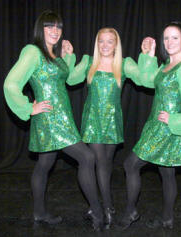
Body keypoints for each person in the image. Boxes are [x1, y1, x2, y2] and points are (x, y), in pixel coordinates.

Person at [3, 10, 104, 231]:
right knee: (87, 157)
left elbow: (68, 79)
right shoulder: (32, 51)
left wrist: (68, 56)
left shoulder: (53, 56)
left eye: (58, 27)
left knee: (44, 164)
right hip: (50, 118)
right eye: (49, 26)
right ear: (41, 29)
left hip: (63, 116)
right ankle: (97, 211)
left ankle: (39, 213)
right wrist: (29, 107)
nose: (55, 31)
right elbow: (11, 83)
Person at [120, 21, 181, 229]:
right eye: (166, 38)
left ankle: (131, 211)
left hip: (166, 129)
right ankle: (167, 218)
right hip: (156, 125)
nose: (169, 42)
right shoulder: (167, 65)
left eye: (174, 37)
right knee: (166, 172)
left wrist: (175, 119)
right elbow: (147, 80)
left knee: (130, 164)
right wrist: (149, 55)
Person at [67, 27, 142, 228]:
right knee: (100, 162)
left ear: (116, 44)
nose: (105, 45)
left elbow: (146, 79)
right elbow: (71, 79)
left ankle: (104, 206)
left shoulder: (124, 64)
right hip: (93, 120)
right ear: (96, 44)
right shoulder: (89, 62)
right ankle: (107, 207)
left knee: (107, 163)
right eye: (101, 41)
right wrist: (69, 56)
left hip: (112, 121)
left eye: (110, 41)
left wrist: (148, 57)